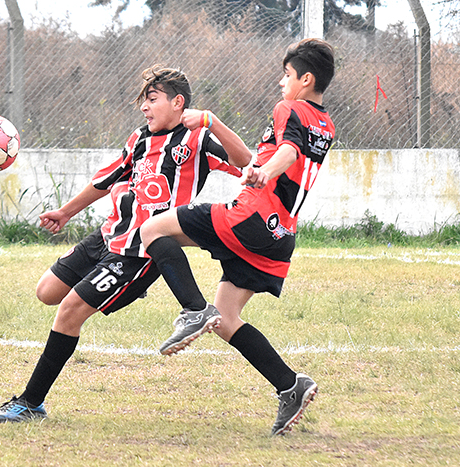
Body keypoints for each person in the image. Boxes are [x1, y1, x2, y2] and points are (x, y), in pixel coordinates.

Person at [0, 65, 252, 423]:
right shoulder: (139, 139)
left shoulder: (197, 140)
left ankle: (31, 403)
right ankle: (125, 290)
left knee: (69, 311)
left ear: (178, 103)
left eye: (152, 100)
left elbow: (245, 162)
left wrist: (211, 122)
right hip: (108, 236)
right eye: (143, 100)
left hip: (140, 252)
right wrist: (65, 212)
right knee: (47, 292)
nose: (144, 107)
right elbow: (106, 181)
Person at [139, 38, 336, 436]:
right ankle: (290, 385)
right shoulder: (325, 122)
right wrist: (219, 128)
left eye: (287, 75)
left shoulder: (289, 107)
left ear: (306, 79)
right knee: (227, 318)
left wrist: (268, 170)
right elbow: (285, 155)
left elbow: (290, 152)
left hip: (249, 216)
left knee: (152, 228)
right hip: (279, 235)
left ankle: (193, 310)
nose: (282, 83)